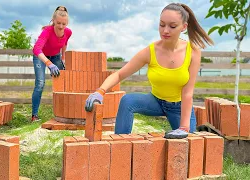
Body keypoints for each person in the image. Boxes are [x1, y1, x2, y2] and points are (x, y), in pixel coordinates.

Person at [85, 3, 214, 139]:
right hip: (156, 101)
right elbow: (119, 74)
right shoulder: (151, 51)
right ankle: (119, 145)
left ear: (184, 27)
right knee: (127, 100)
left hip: (179, 107)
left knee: (189, 146)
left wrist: (184, 127)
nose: (165, 30)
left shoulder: (192, 52)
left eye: (172, 26)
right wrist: (100, 91)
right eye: (162, 24)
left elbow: (187, 93)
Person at [32, 6, 72, 122]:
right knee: (40, 83)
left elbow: (64, 44)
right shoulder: (47, 31)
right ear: (53, 21)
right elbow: (36, 49)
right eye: (58, 23)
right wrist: (49, 63)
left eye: (63, 24)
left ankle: (63, 113)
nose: (61, 26)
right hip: (41, 56)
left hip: (55, 56)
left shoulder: (68, 32)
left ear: (67, 23)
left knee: (62, 82)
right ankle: (34, 115)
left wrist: (63, 58)